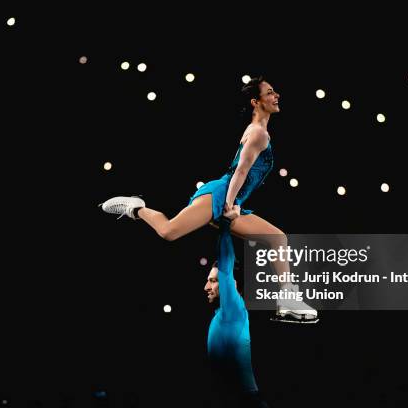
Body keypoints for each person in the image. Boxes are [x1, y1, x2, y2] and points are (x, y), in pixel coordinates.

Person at [100, 76, 317, 322]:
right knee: (169, 232)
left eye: (275, 91)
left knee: (277, 238)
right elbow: (240, 171)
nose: (276, 95)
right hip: (221, 195)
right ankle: (136, 207)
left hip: (232, 199)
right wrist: (229, 205)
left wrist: (234, 204)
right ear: (256, 102)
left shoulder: (260, 131)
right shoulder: (258, 133)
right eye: (270, 92)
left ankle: (287, 300)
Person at [204, 219, 270, 408]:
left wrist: (225, 225)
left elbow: (226, 264)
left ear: (232, 284)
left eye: (213, 281)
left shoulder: (233, 309)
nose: (206, 286)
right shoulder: (223, 314)